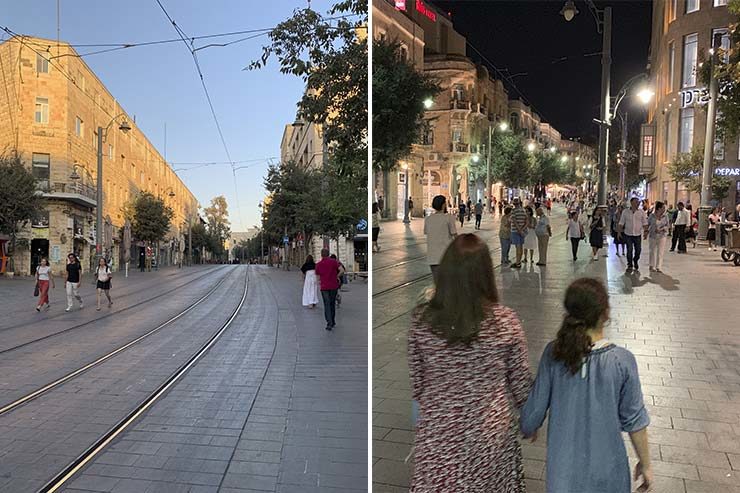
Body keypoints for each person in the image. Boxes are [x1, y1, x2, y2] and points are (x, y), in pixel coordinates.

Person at [408, 234, 531, 492]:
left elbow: (418, 384)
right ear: (486, 274)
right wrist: (532, 421)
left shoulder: (422, 321)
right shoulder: (505, 321)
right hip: (490, 434)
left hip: (438, 431)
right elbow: (521, 386)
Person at [520, 278, 652, 493]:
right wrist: (645, 464)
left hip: (563, 476)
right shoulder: (622, 361)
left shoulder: (554, 354)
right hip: (609, 475)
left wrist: (528, 426)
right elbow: (635, 419)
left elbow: (534, 410)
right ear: (605, 313)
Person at [424, 195, 458, 283]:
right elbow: (454, 235)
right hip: (446, 255)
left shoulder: (428, 219)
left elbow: (426, 232)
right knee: (447, 283)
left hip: (432, 256)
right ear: (443, 205)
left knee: (437, 283)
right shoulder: (448, 218)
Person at [618, 197, 649, 273]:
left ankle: (635, 260)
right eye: (636, 202)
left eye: (638, 202)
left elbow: (645, 223)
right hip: (628, 234)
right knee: (629, 250)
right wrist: (619, 232)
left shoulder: (641, 212)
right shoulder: (625, 212)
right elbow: (621, 223)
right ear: (631, 203)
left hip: (637, 234)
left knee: (638, 250)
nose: (637, 204)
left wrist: (645, 232)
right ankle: (630, 265)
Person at [314, 249, 340, 330]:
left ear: (321, 255)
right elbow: (342, 270)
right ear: (328, 254)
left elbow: (317, 277)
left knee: (327, 304)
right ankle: (333, 320)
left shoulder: (318, 264)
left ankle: (329, 323)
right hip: (333, 286)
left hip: (324, 287)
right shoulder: (334, 262)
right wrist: (337, 276)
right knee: (332, 303)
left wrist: (320, 282)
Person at [648, 201, 669, 273]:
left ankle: (658, 267)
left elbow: (667, 225)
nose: (664, 209)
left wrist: (663, 229)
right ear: (659, 208)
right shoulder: (652, 216)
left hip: (662, 236)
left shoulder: (665, 216)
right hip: (653, 235)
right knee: (652, 251)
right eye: (663, 208)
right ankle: (651, 265)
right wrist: (648, 231)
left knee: (660, 252)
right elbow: (648, 224)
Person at [509, 198, 528, 268]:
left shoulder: (513, 211)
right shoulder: (523, 210)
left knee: (518, 247)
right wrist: (522, 230)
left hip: (515, 231)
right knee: (521, 246)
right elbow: (526, 221)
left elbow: (514, 221)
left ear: (514, 204)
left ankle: (517, 263)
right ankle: (519, 261)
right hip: (522, 232)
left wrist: (519, 230)